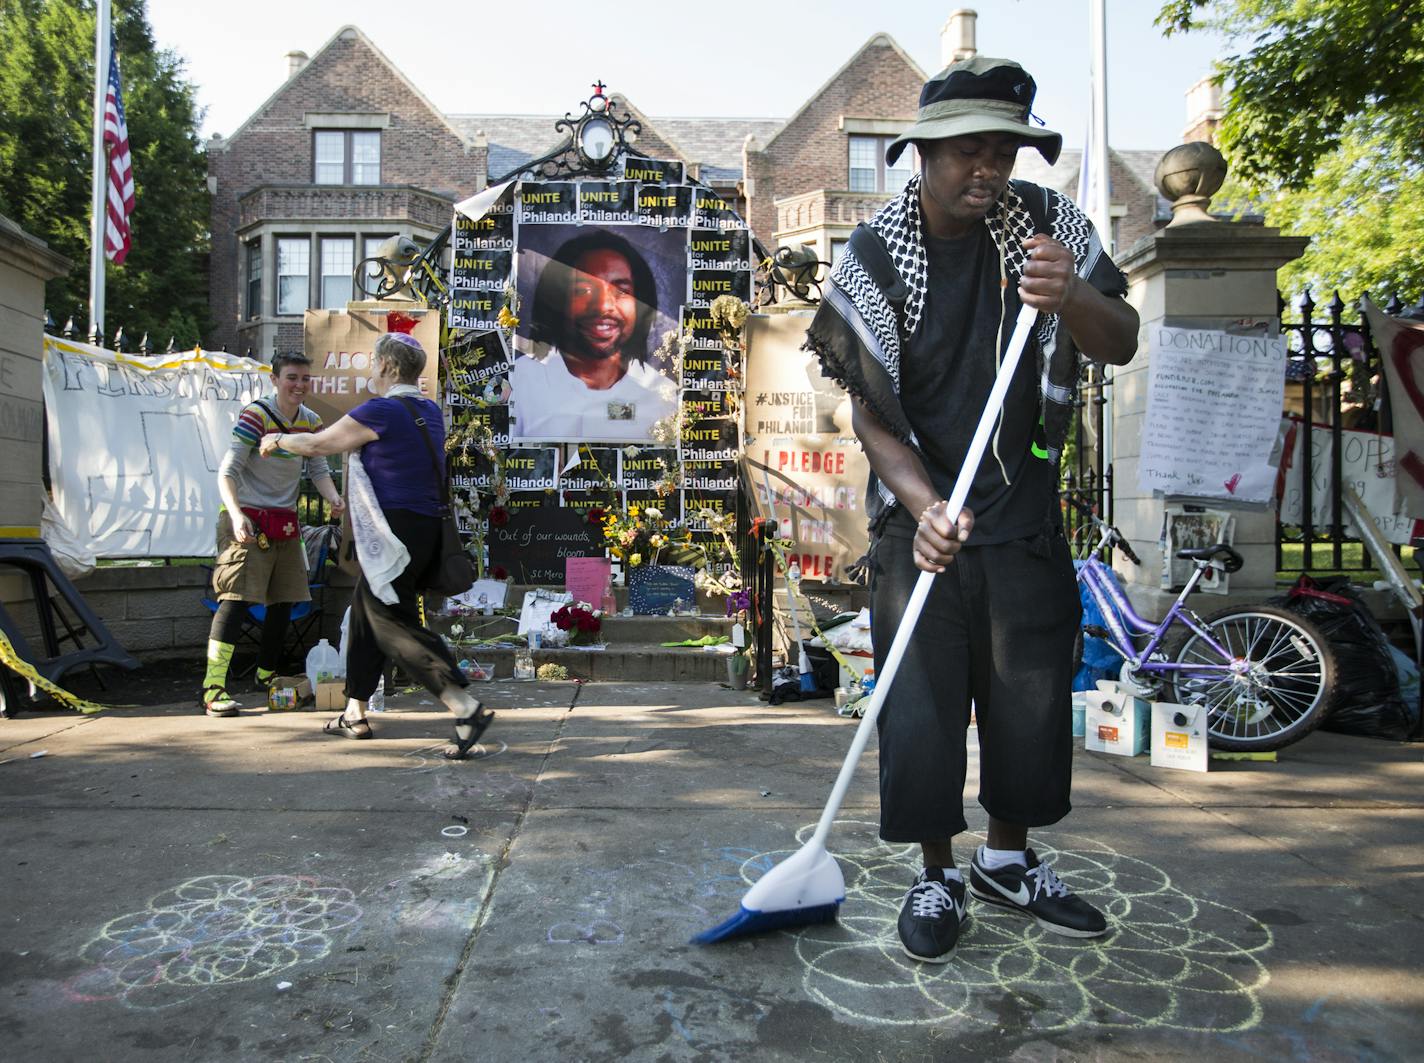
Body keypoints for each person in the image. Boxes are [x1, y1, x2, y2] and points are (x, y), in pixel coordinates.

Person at [804, 57, 1139, 964]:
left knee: (1029, 704)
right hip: (920, 532)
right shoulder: (875, 253)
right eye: (968, 151)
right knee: (922, 709)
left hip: (1022, 519)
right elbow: (865, 411)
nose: (988, 168)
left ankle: (1006, 859)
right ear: (923, 153)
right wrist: (919, 506)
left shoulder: (1049, 230)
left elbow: (1123, 337)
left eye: (1006, 150)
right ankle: (936, 872)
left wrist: (1070, 294)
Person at [260, 332, 495, 757]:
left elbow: (317, 444)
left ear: (386, 367)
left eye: (373, 363)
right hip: (425, 530)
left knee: (390, 621)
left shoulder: (382, 411)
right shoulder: (428, 410)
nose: (371, 369)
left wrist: (276, 440)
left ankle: (464, 706)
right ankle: (355, 711)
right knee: (368, 615)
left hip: (393, 535)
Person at [202, 351, 344, 717]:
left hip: (284, 523)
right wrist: (235, 516)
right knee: (234, 599)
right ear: (275, 379)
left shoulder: (311, 421)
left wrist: (333, 498)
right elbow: (228, 471)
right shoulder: (257, 415)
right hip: (247, 520)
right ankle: (213, 686)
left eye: (304, 379)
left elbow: (319, 469)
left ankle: (266, 675)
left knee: (284, 601)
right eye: (292, 378)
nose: (299, 385)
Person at [511, 230, 678, 441]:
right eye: (583, 290)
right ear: (556, 300)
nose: (603, 306)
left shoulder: (664, 395)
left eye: (622, 291)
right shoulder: (520, 383)